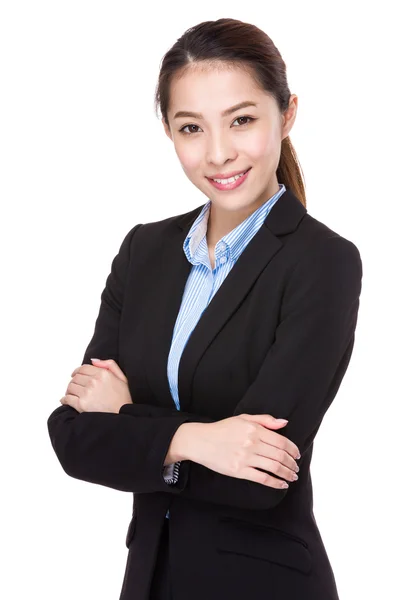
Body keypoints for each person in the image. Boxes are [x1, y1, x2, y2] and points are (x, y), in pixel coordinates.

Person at [47, 17, 363, 600]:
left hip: (262, 584)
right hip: (148, 581)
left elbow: (260, 480)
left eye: (242, 120)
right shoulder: (144, 251)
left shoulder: (324, 263)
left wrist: (130, 422)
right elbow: (71, 437)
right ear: (169, 130)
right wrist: (199, 440)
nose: (218, 154)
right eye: (191, 128)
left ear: (287, 114)